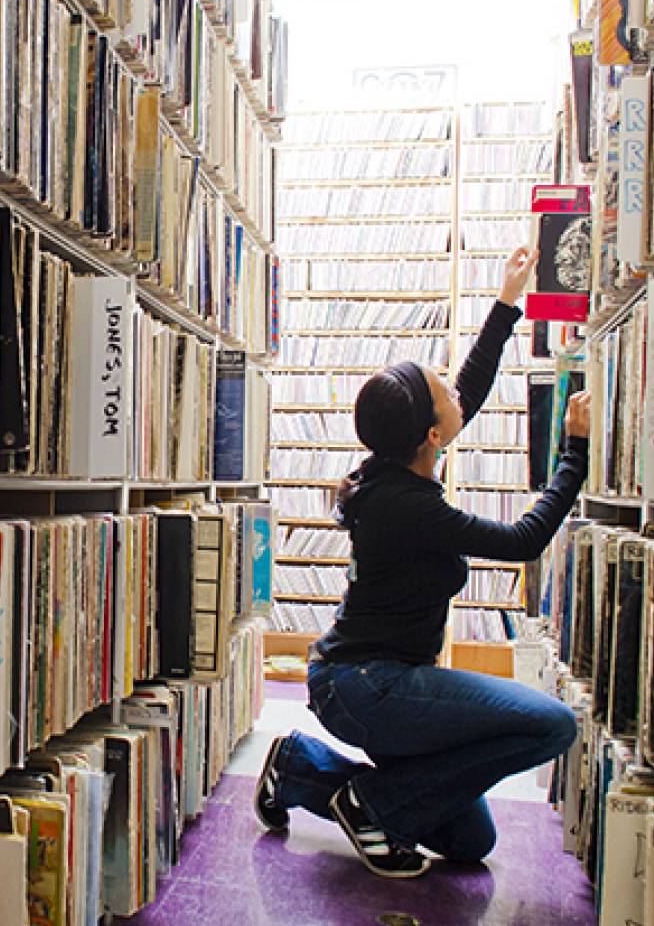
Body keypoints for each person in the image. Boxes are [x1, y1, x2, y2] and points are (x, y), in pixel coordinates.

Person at [253, 245, 593, 878]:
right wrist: (575, 453)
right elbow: (523, 540)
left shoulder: (399, 468)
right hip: (367, 687)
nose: (455, 393)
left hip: (381, 684)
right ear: (431, 436)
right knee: (549, 726)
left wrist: (506, 302)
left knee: (469, 840)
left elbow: (467, 391)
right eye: (443, 393)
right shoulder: (408, 506)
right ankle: (371, 802)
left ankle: (301, 767)